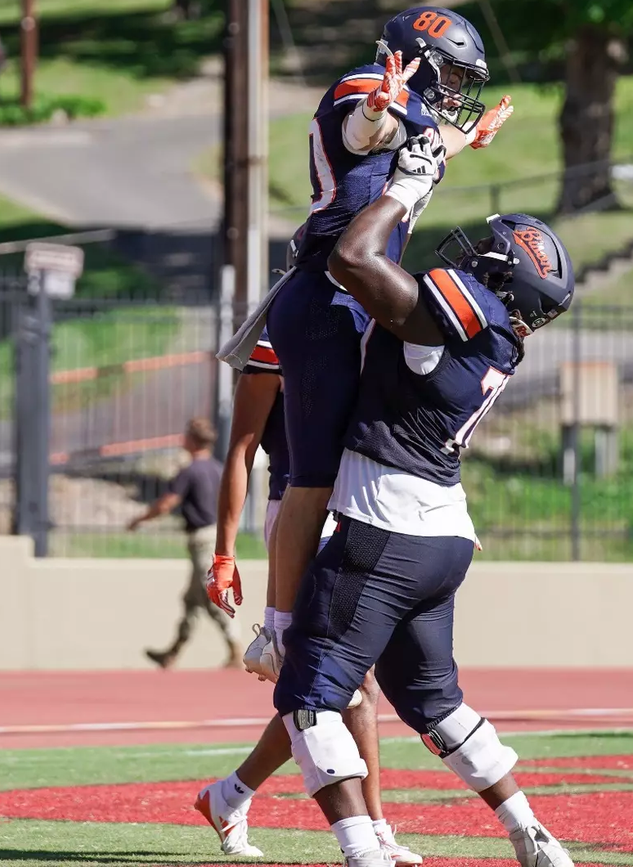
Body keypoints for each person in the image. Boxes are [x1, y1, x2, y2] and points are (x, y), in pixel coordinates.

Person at [274, 135, 578, 867]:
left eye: (488, 256)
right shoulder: (498, 336)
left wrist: (406, 188)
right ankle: (531, 833)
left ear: (498, 284)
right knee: (434, 703)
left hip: (387, 528)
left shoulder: (466, 311)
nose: (471, 256)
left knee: (310, 698)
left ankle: (362, 853)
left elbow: (353, 260)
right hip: (441, 535)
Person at [194, 328, 415, 864]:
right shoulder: (284, 335)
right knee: (341, 678)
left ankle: (230, 796)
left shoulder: (373, 323)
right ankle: (370, 832)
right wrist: (224, 553)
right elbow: (243, 448)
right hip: (299, 515)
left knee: (347, 682)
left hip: (363, 511)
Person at [130, 417, 241, 669]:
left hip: (204, 540)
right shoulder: (218, 469)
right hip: (220, 536)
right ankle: (173, 651)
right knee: (191, 599)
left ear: (191, 440)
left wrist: (140, 519)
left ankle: (236, 647)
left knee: (213, 593)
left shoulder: (190, 471)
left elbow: (167, 502)